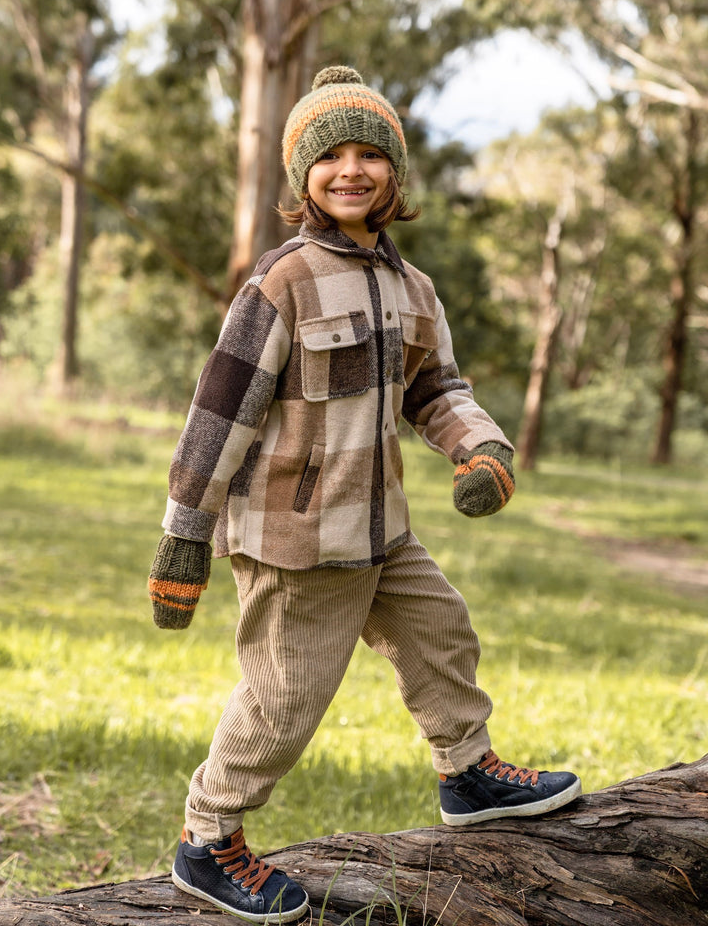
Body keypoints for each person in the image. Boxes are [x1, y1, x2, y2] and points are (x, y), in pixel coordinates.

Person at [148, 66, 582, 924]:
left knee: (441, 631)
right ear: (301, 176)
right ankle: (209, 837)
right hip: (298, 541)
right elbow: (218, 416)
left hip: (382, 530)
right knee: (283, 699)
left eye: (370, 154)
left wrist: (480, 448)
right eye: (330, 157)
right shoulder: (283, 283)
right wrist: (183, 537)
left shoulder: (412, 289)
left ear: (396, 174)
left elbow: (437, 391)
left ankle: (467, 771)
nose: (351, 170)